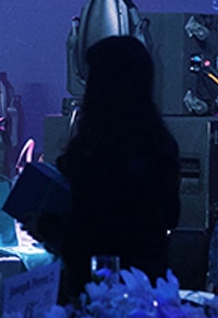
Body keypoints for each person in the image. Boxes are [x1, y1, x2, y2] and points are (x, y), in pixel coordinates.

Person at [54, 35, 182, 301]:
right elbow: (171, 216)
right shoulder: (159, 141)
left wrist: (44, 225)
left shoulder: (99, 148)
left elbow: (92, 229)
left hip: (100, 287)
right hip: (150, 282)